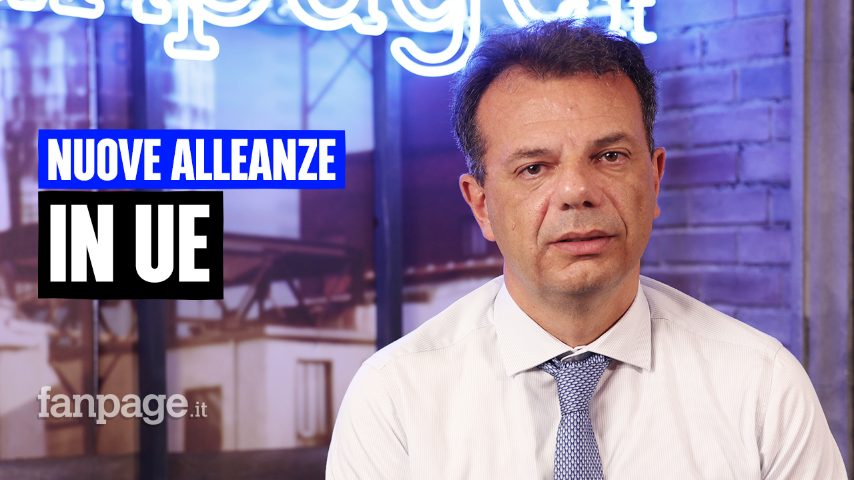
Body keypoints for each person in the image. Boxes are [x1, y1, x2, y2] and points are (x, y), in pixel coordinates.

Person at [325, 19, 847, 479]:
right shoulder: (394, 397)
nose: (577, 191)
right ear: (481, 204)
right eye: (534, 167)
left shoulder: (761, 384)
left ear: (655, 178)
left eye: (610, 156)